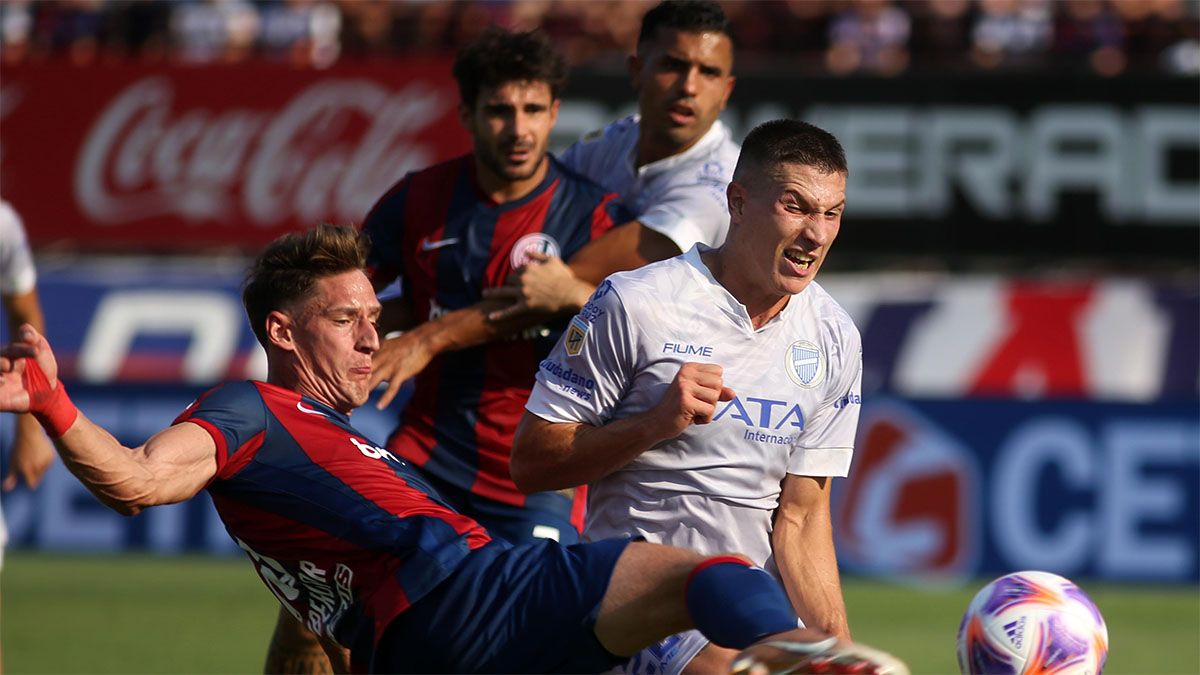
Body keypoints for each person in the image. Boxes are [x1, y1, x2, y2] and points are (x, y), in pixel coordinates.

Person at [0, 225, 907, 675]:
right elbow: (137, 479)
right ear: (281, 330)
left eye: (375, 316)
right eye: (346, 319)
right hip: (469, 597)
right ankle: (812, 655)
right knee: (695, 579)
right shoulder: (246, 409)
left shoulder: (321, 439)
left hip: (430, 637)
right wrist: (48, 399)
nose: (371, 337)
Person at [512, 119, 862, 674]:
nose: (816, 234)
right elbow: (531, 463)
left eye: (832, 213)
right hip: (637, 601)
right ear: (738, 202)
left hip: (752, 612)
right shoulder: (637, 302)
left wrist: (838, 649)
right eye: (796, 207)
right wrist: (654, 423)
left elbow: (801, 515)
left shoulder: (835, 336)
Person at [362, 26, 627, 546]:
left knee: (531, 623)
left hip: (537, 472)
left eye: (533, 110)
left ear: (555, 113)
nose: (518, 129)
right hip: (426, 454)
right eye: (500, 110)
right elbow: (349, 294)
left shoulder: (594, 217)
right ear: (468, 115)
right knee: (327, 608)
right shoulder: (419, 199)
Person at [485, 0, 741, 322]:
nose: (689, 87)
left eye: (709, 72)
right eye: (672, 65)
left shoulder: (722, 185)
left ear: (726, 91)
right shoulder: (609, 142)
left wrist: (427, 340)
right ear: (636, 70)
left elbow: (555, 282)